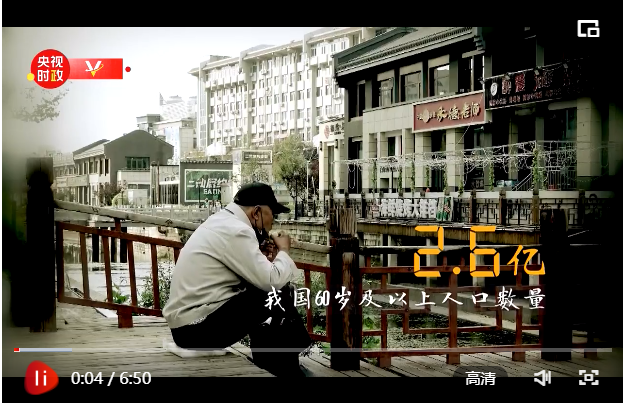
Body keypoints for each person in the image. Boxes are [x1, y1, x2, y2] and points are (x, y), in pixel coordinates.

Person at [163, 182, 313, 377]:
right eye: (272, 214)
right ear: (256, 212)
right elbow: (271, 280)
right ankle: (286, 367)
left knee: (269, 294)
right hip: (196, 331)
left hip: (188, 327)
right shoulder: (237, 230)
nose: (272, 222)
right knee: (274, 293)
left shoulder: (222, 221)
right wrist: (284, 250)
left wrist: (261, 256)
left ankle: (278, 363)